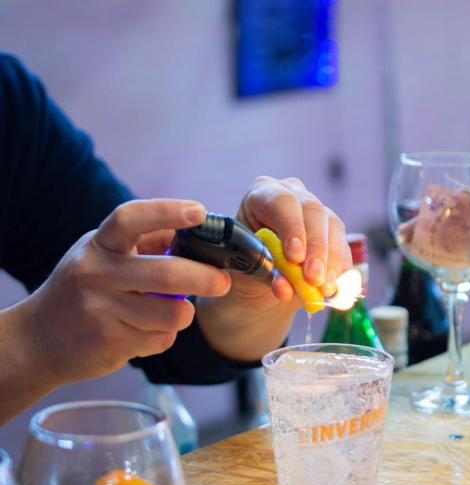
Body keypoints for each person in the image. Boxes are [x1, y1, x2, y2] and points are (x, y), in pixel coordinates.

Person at [0, 53, 352, 425]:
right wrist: (37, 338)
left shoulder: (10, 103)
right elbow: (74, 320)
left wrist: (246, 299)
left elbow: (166, 332)